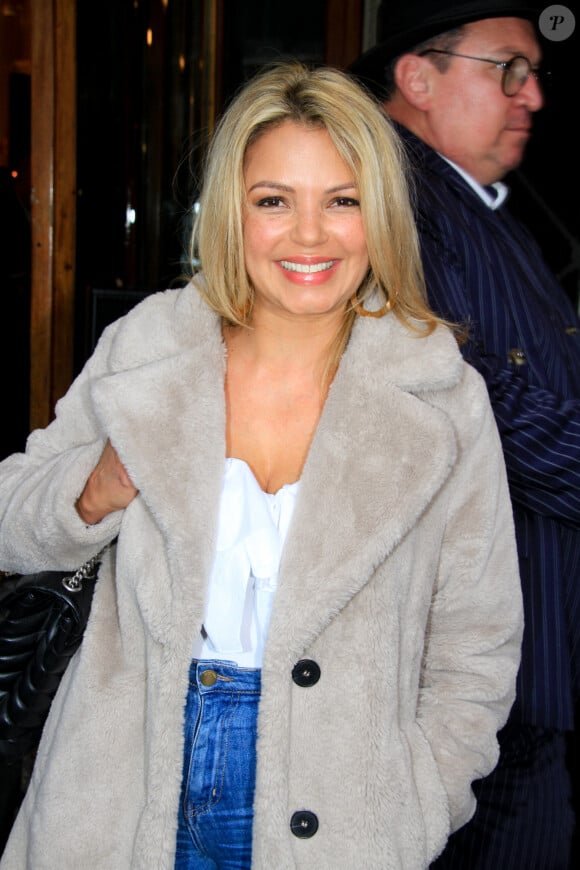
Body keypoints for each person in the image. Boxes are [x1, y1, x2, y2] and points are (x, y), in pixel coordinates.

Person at [0, 61, 523, 869]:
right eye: (273, 201)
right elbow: (9, 520)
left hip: (347, 803)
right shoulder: (149, 349)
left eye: (342, 201)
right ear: (231, 216)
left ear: (378, 213)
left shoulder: (442, 396)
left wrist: (422, 796)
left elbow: (477, 644)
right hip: (118, 789)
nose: (308, 236)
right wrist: (91, 490)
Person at [350, 1, 580, 867]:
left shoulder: (485, 207)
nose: (532, 97)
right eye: (507, 69)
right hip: (471, 678)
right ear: (418, 76)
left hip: (523, 659)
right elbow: (468, 403)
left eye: (534, 73)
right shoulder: (401, 198)